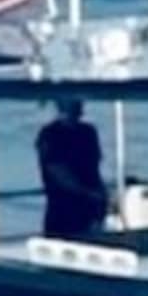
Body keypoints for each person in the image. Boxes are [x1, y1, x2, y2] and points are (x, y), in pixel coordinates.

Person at [35, 100, 108, 239]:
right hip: (62, 208)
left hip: (90, 207)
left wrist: (101, 199)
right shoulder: (49, 134)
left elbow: (94, 168)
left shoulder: (88, 132)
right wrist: (87, 192)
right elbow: (56, 170)